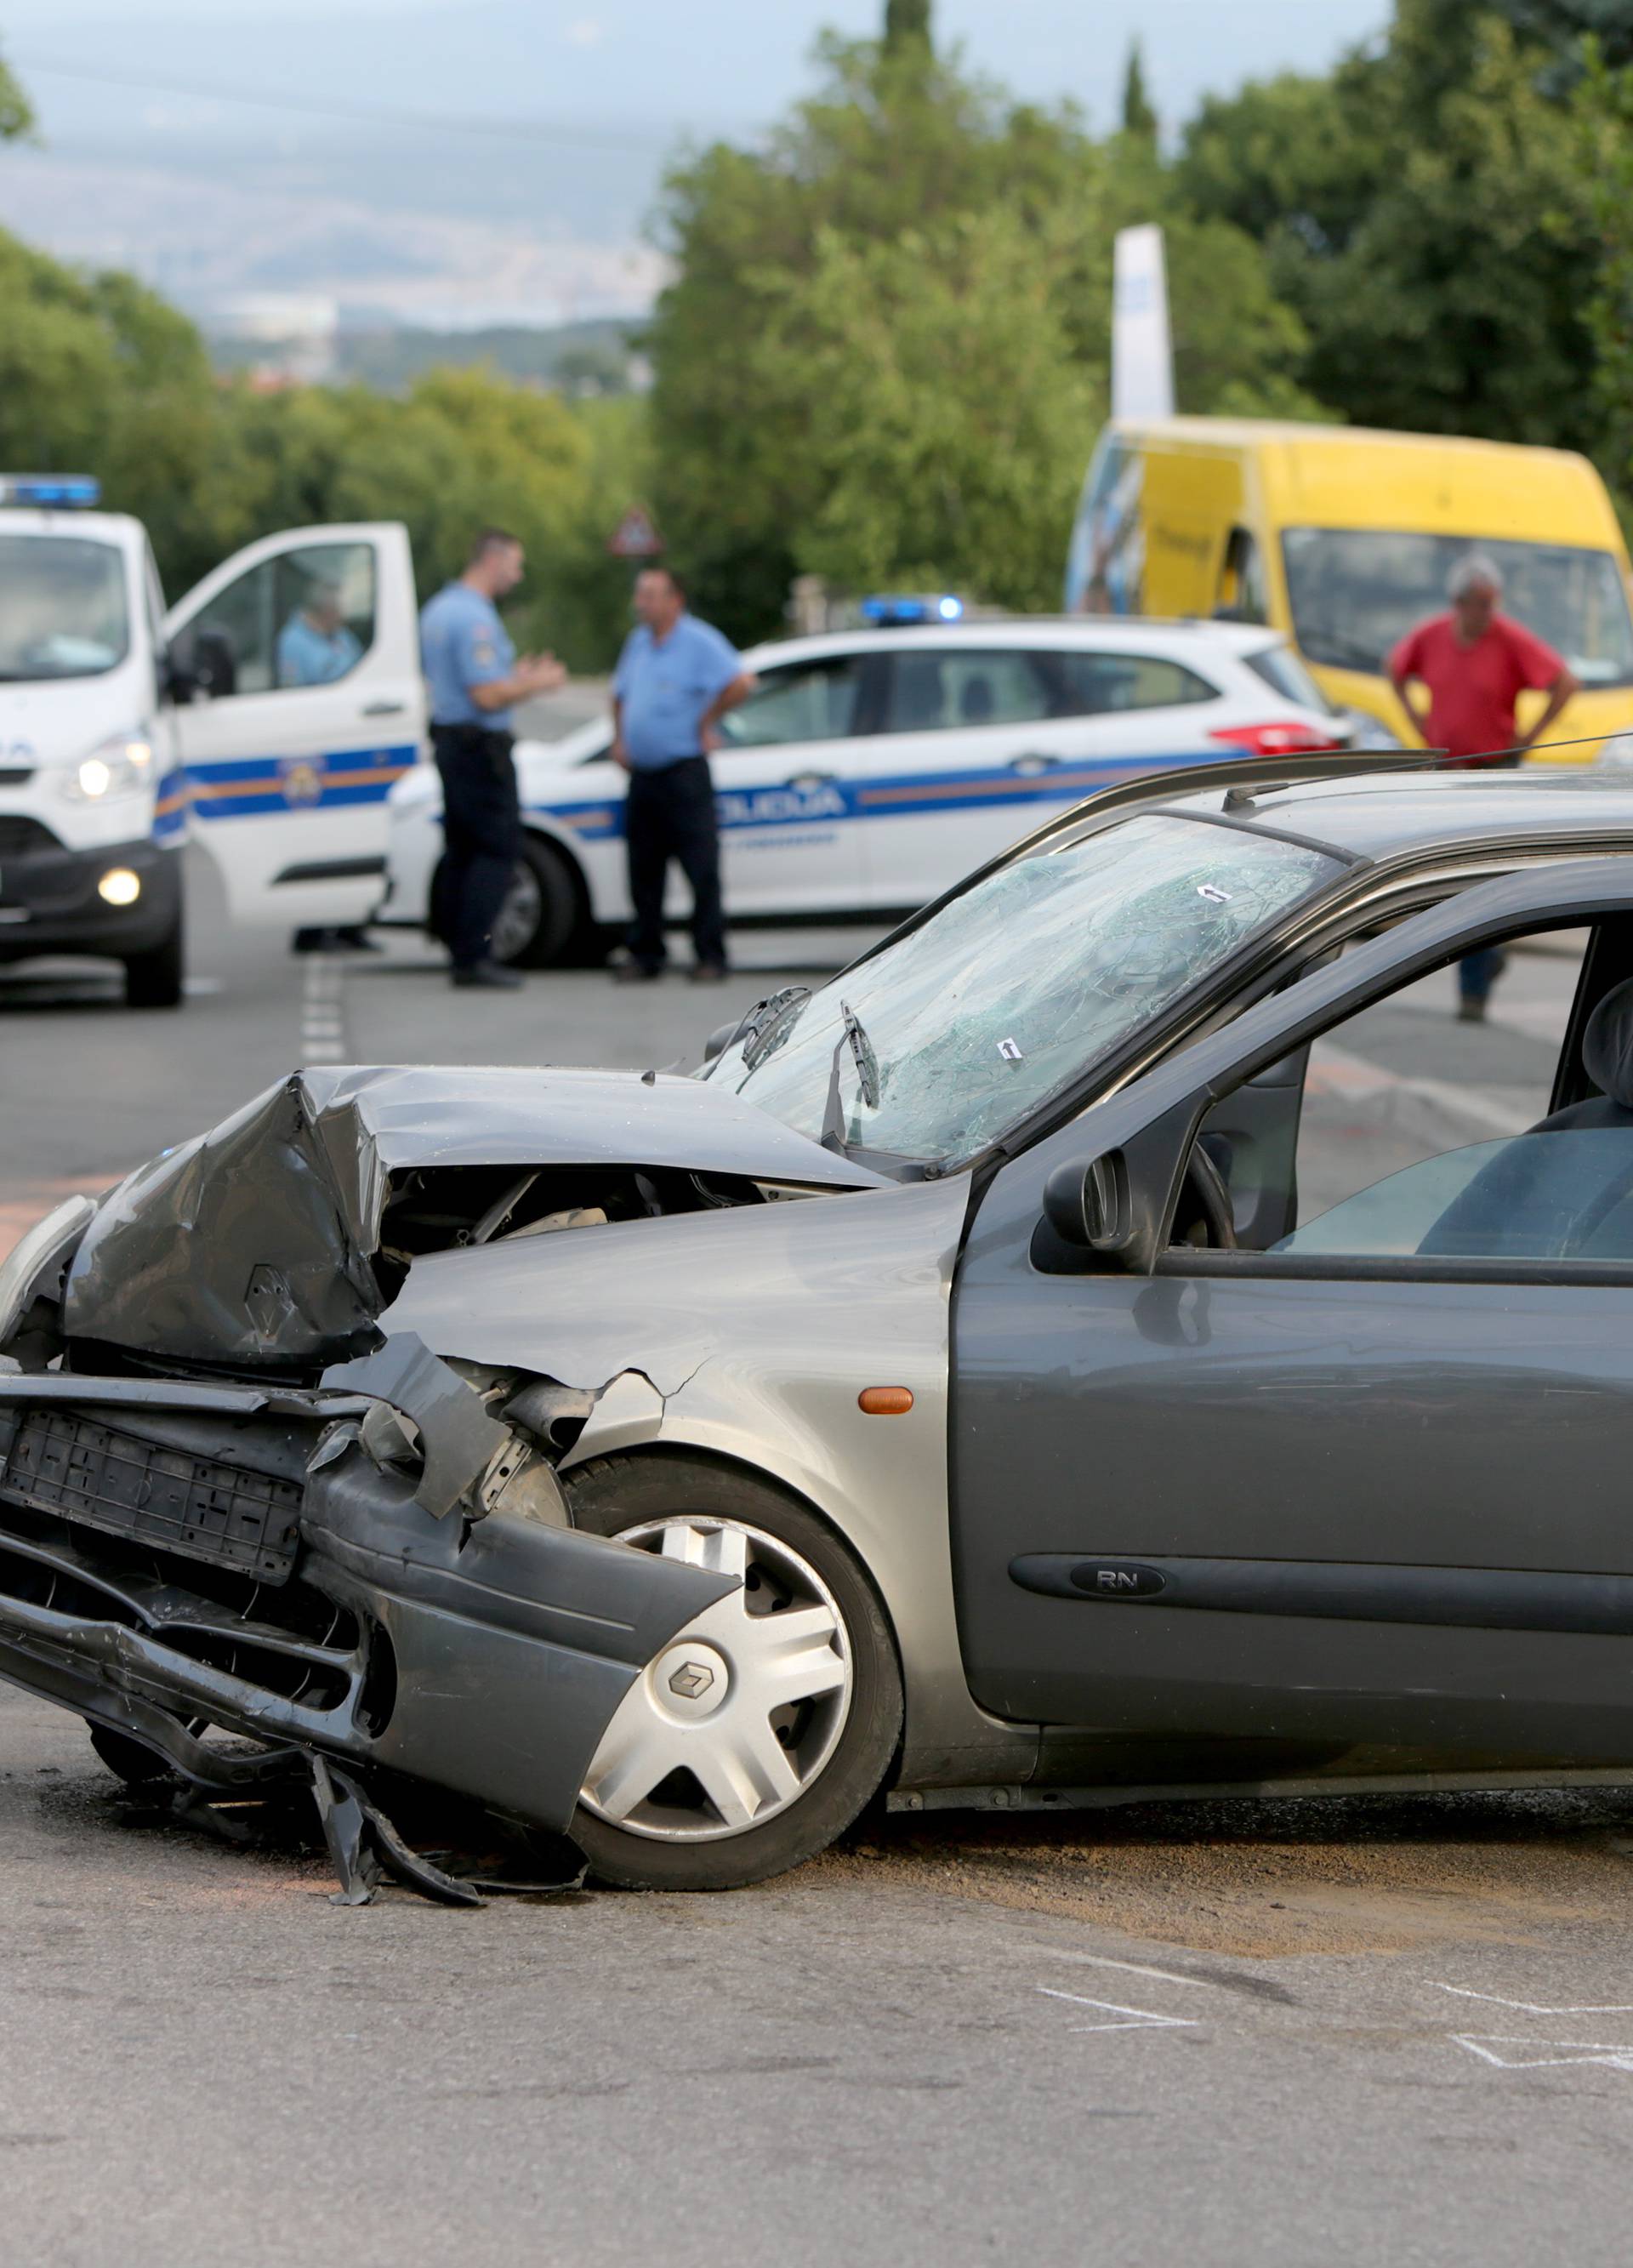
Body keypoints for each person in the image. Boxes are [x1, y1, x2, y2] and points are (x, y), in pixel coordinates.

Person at [1390, 554, 1579, 1021]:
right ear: (1458, 602)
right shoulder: (1433, 636)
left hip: (1493, 774)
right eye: (1478, 603)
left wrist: (1528, 738)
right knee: (1450, 875)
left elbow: (1564, 682)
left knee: (1479, 877)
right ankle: (1485, 959)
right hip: (1446, 772)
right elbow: (1395, 669)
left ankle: (1473, 991)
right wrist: (1418, 722)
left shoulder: (1509, 639)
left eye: (1492, 602)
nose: (1486, 611)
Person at [419, 530, 566, 990]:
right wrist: (537, 683)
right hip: (479, 748)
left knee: (462, 849)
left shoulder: (440, 609)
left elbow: (474, 680)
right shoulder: (475, 618)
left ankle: (459, 948)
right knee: (495, 849)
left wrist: (515, 676)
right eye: (515, 565)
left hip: (451, 743)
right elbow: (485, 694)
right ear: (494, 560)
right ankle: (474, 957)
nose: (517, 575)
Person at [610, 565, 755, 983]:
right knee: (643, 870)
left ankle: (710, 955)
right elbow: (619, 695)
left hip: (684, 774)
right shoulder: (638, 642)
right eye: (640, 593)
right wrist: (620, 740)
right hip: (644, 776)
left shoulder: (698, 641)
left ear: (675, 600)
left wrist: (707, 720)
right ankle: (646, 953)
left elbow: (742, 682)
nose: (642, 602)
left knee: (700, 868)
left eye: (651, 594)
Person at [277, 578, 361, 687]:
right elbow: (293, 690)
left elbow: (359, 659)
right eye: (338, 610)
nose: (342, 616)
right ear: (326, 611)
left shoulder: (341, 633)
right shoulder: (292, 642)